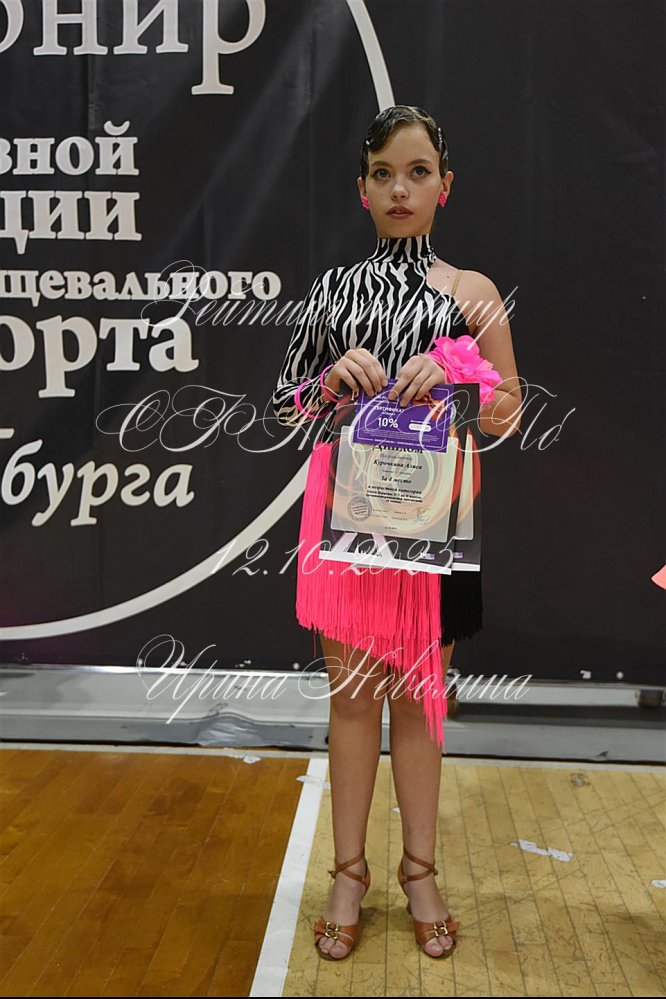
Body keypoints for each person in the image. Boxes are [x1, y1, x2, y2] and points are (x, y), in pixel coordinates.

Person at [271, 106, 522, 960]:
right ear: (363, 189)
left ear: (445, 187)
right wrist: (326, 383)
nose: (400, 188)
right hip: (346, 514)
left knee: (420, 695)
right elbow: (283, 407)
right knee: (351, 697)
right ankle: (348, 871)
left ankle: (420, 870)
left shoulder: (472, 292)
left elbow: (510, 407)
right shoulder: (331, 292)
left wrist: (456, 378)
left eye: (418, 172)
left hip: (436, 521)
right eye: (384, 173)